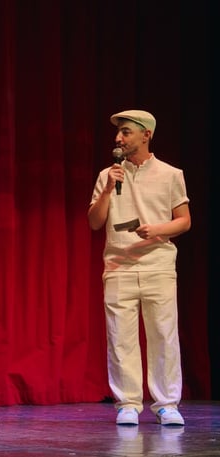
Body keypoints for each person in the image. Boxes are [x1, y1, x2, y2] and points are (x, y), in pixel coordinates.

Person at [88, 110, 190, 426]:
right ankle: (128, 404)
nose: (118, 138)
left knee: (163, 335)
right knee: (121, 337)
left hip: (158, 265)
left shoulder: (171, 174)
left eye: (126, 132)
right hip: (119, 266)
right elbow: (95, 222)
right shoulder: (108, 175)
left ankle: (166, 403)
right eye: (118, 132)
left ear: (146, 135)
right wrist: (108, 188)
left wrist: (157, 229)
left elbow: (184, 221)